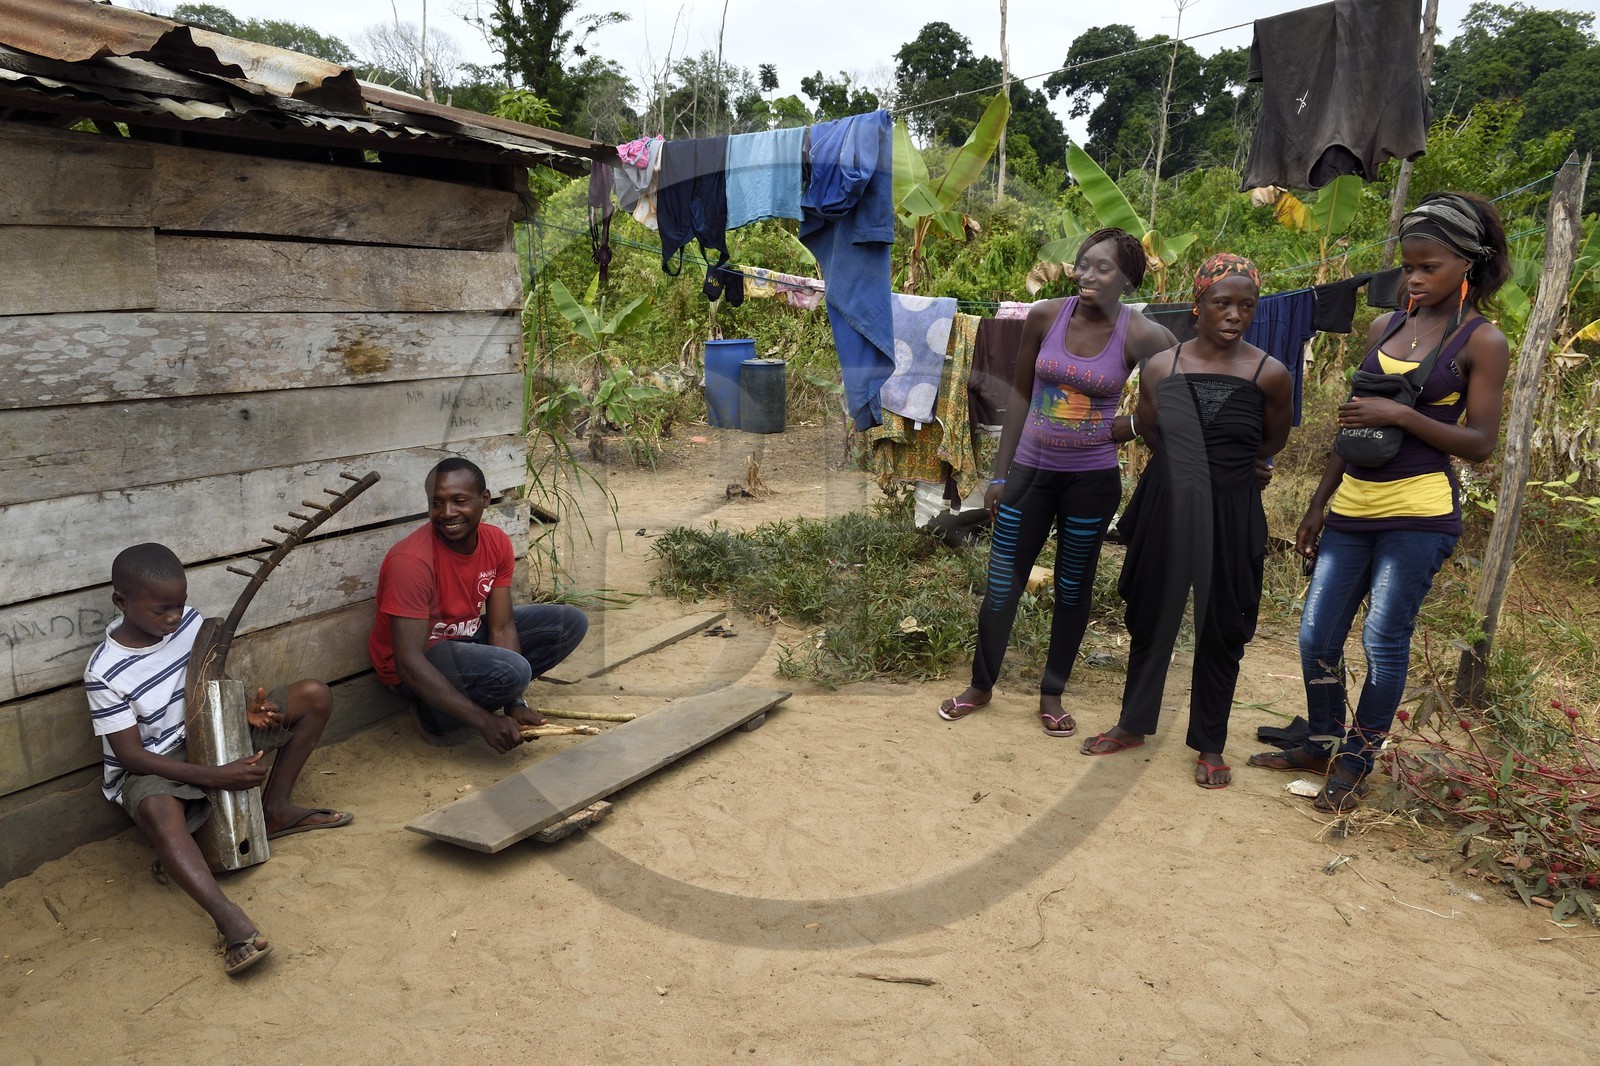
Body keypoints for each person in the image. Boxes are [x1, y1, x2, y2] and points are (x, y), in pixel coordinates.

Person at [1248, 192, 1511, 811]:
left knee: (1383, 643)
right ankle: (1319, 738)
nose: (1415, 278)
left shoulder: (1483, 340)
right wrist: (1318, 505)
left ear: (1467, 264)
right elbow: (1355, 428)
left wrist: (1402, 413)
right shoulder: (1383, 326)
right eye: (1409, 265)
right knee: (1316, 637)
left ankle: (1357, 762)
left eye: (1430, 267)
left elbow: (1479, 443)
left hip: (1418, 515)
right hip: (1352, 508)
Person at [937, 228, 1177, 736]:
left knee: (1072, 589)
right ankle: (980, 685)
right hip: (1029, 475)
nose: (1087, 275)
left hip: (1090, 484)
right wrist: (1000, 474)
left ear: (1128, 280)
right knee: (1002, 585)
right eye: (1083, 264)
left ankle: (1052, 693)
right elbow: (1021, 395)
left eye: (1102, 268)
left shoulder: (1140, 334)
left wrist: (1134, 426)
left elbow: (1187, 372)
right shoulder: (1046, 314)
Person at [85, 542, 351, 977]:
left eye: (180, 605)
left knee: (312, 696)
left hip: (210, 733)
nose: (173, 618)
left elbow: (208, 681)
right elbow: (131, 757)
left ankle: (276, 809)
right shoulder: (104, 670)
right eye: (161, 610)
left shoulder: (188, 624)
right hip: (155, 765)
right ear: (122, 602)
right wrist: (215, 775)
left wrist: (244, 710)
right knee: (155, 806)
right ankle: (231, 922)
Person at [1079, 254, 1294, 789]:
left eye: (1247, 305)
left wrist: (1230, 472)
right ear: (1197, 306)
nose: (1234, 315)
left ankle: (1210, 742)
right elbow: (1151, 432)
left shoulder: (1270, 374)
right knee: (1153, 615)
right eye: (1222, 303)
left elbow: (1271, 441)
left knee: (1221, 624)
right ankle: (1133, 723)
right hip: (1167, 506)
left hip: (1232, 511)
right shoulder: (1162, 367)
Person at [369, 457, 589, 752]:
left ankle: (482, 699)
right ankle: (432, 717)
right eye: (437, 503)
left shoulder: (496, 541)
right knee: (513, 671)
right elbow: (408, 662)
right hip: (415, 660)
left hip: (462, 638)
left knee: (570, 623)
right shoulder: (410, 562)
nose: (447, 513)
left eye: (459, 500)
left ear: (484, 499)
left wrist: (514, 702)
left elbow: (502, 626)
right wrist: (486, 722)